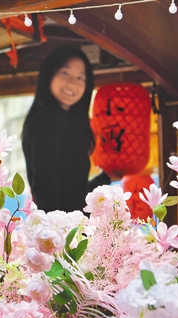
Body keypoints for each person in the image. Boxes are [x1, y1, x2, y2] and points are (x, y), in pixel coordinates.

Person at [22, 45, 110, 213]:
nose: (72, 83)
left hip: (70, 228)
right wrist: (56, 233)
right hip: (63, 233)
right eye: (65, 73)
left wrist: (105, 178)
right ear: (49, 74)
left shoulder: (65, 122)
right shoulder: (46, 120)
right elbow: (45, 186)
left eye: (80, 78)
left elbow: (74, 196)